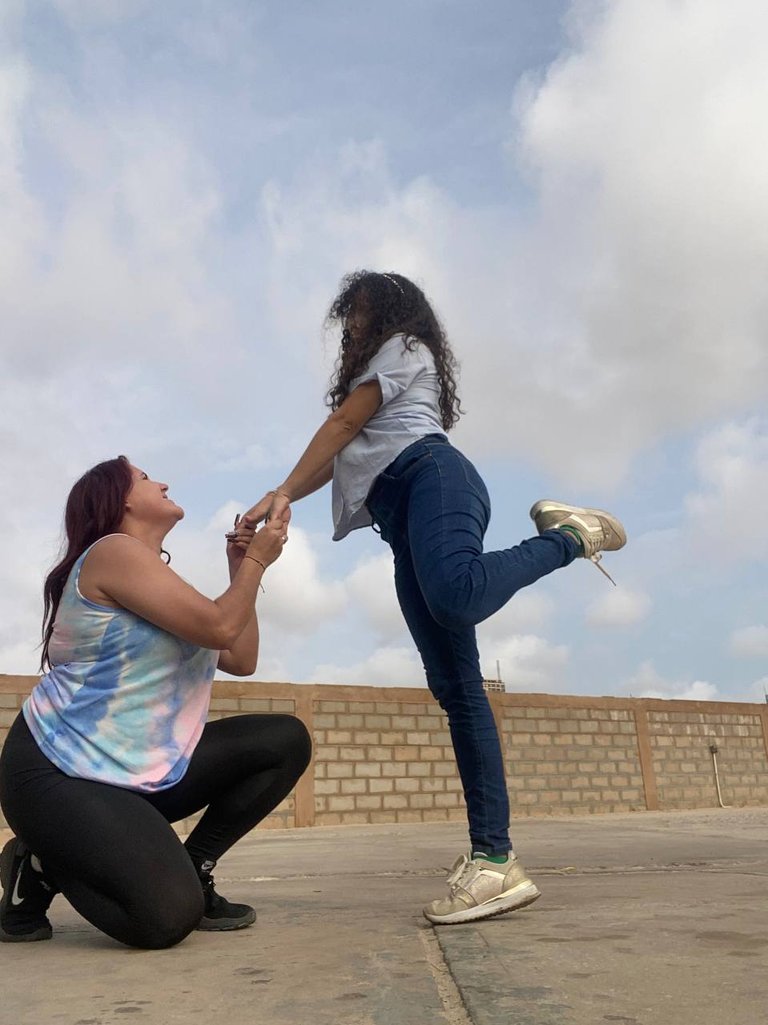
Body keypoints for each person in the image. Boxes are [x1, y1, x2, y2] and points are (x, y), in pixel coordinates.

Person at [239, 270, 626, 926]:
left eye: (364, 314)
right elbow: (338, 455)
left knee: (456, 594)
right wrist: (282, 499)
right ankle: (494, 860)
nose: (356, 326)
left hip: (434, 479)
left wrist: (277, 492)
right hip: (405, 517)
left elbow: (341, 424)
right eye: (351, 319)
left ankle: (569, 537)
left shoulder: (406, 347)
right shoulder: (380, 376)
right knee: (457, 687)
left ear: (393, 312)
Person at [0, 456, 311, 948]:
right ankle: (42, 862)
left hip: (128, 770)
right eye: (145, 479)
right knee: (164, 920)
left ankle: (194, 866)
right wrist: (256, 561)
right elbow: (219, 626)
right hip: (57, 773)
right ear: (120, 499)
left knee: (282, 740)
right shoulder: (111, 553)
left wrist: (239, 571)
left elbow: (240, 655)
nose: (162, 481)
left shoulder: (155, 582)